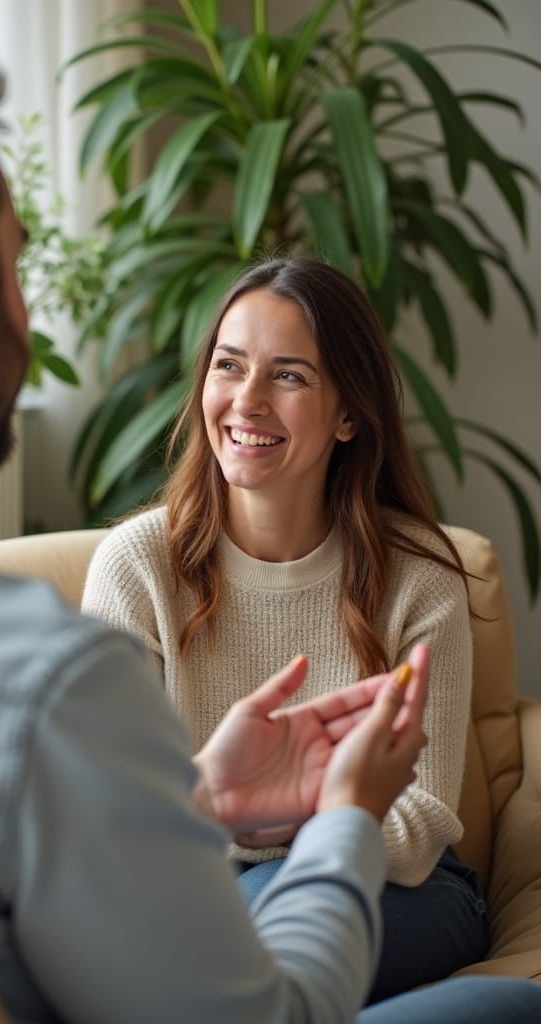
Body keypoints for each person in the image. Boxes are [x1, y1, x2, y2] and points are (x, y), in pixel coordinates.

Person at [0, 23, 540, 1024]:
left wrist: (203, 800)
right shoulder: (40, 690)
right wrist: (346, 811)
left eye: (289, 374)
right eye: (17, 267)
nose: (29, 310)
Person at [82, 257, 486, 1001]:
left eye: (290, 376)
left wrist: (281, 828)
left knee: (246, 934)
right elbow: (111, 809)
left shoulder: (419, 578)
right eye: (229, 366)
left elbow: (423, 817)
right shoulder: (136, 568)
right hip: (201, 895)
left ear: (349, 414)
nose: (248, 400)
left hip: (402, 887)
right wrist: (266, 814)